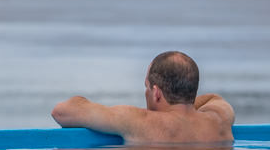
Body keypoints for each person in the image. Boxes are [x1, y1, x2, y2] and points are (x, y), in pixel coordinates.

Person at [50, 51, 235, 144]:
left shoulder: (140, 121)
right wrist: (185, 102)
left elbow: (62, 112)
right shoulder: (220, 119)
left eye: (146, 87)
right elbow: (214, 98)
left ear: (156, 93)